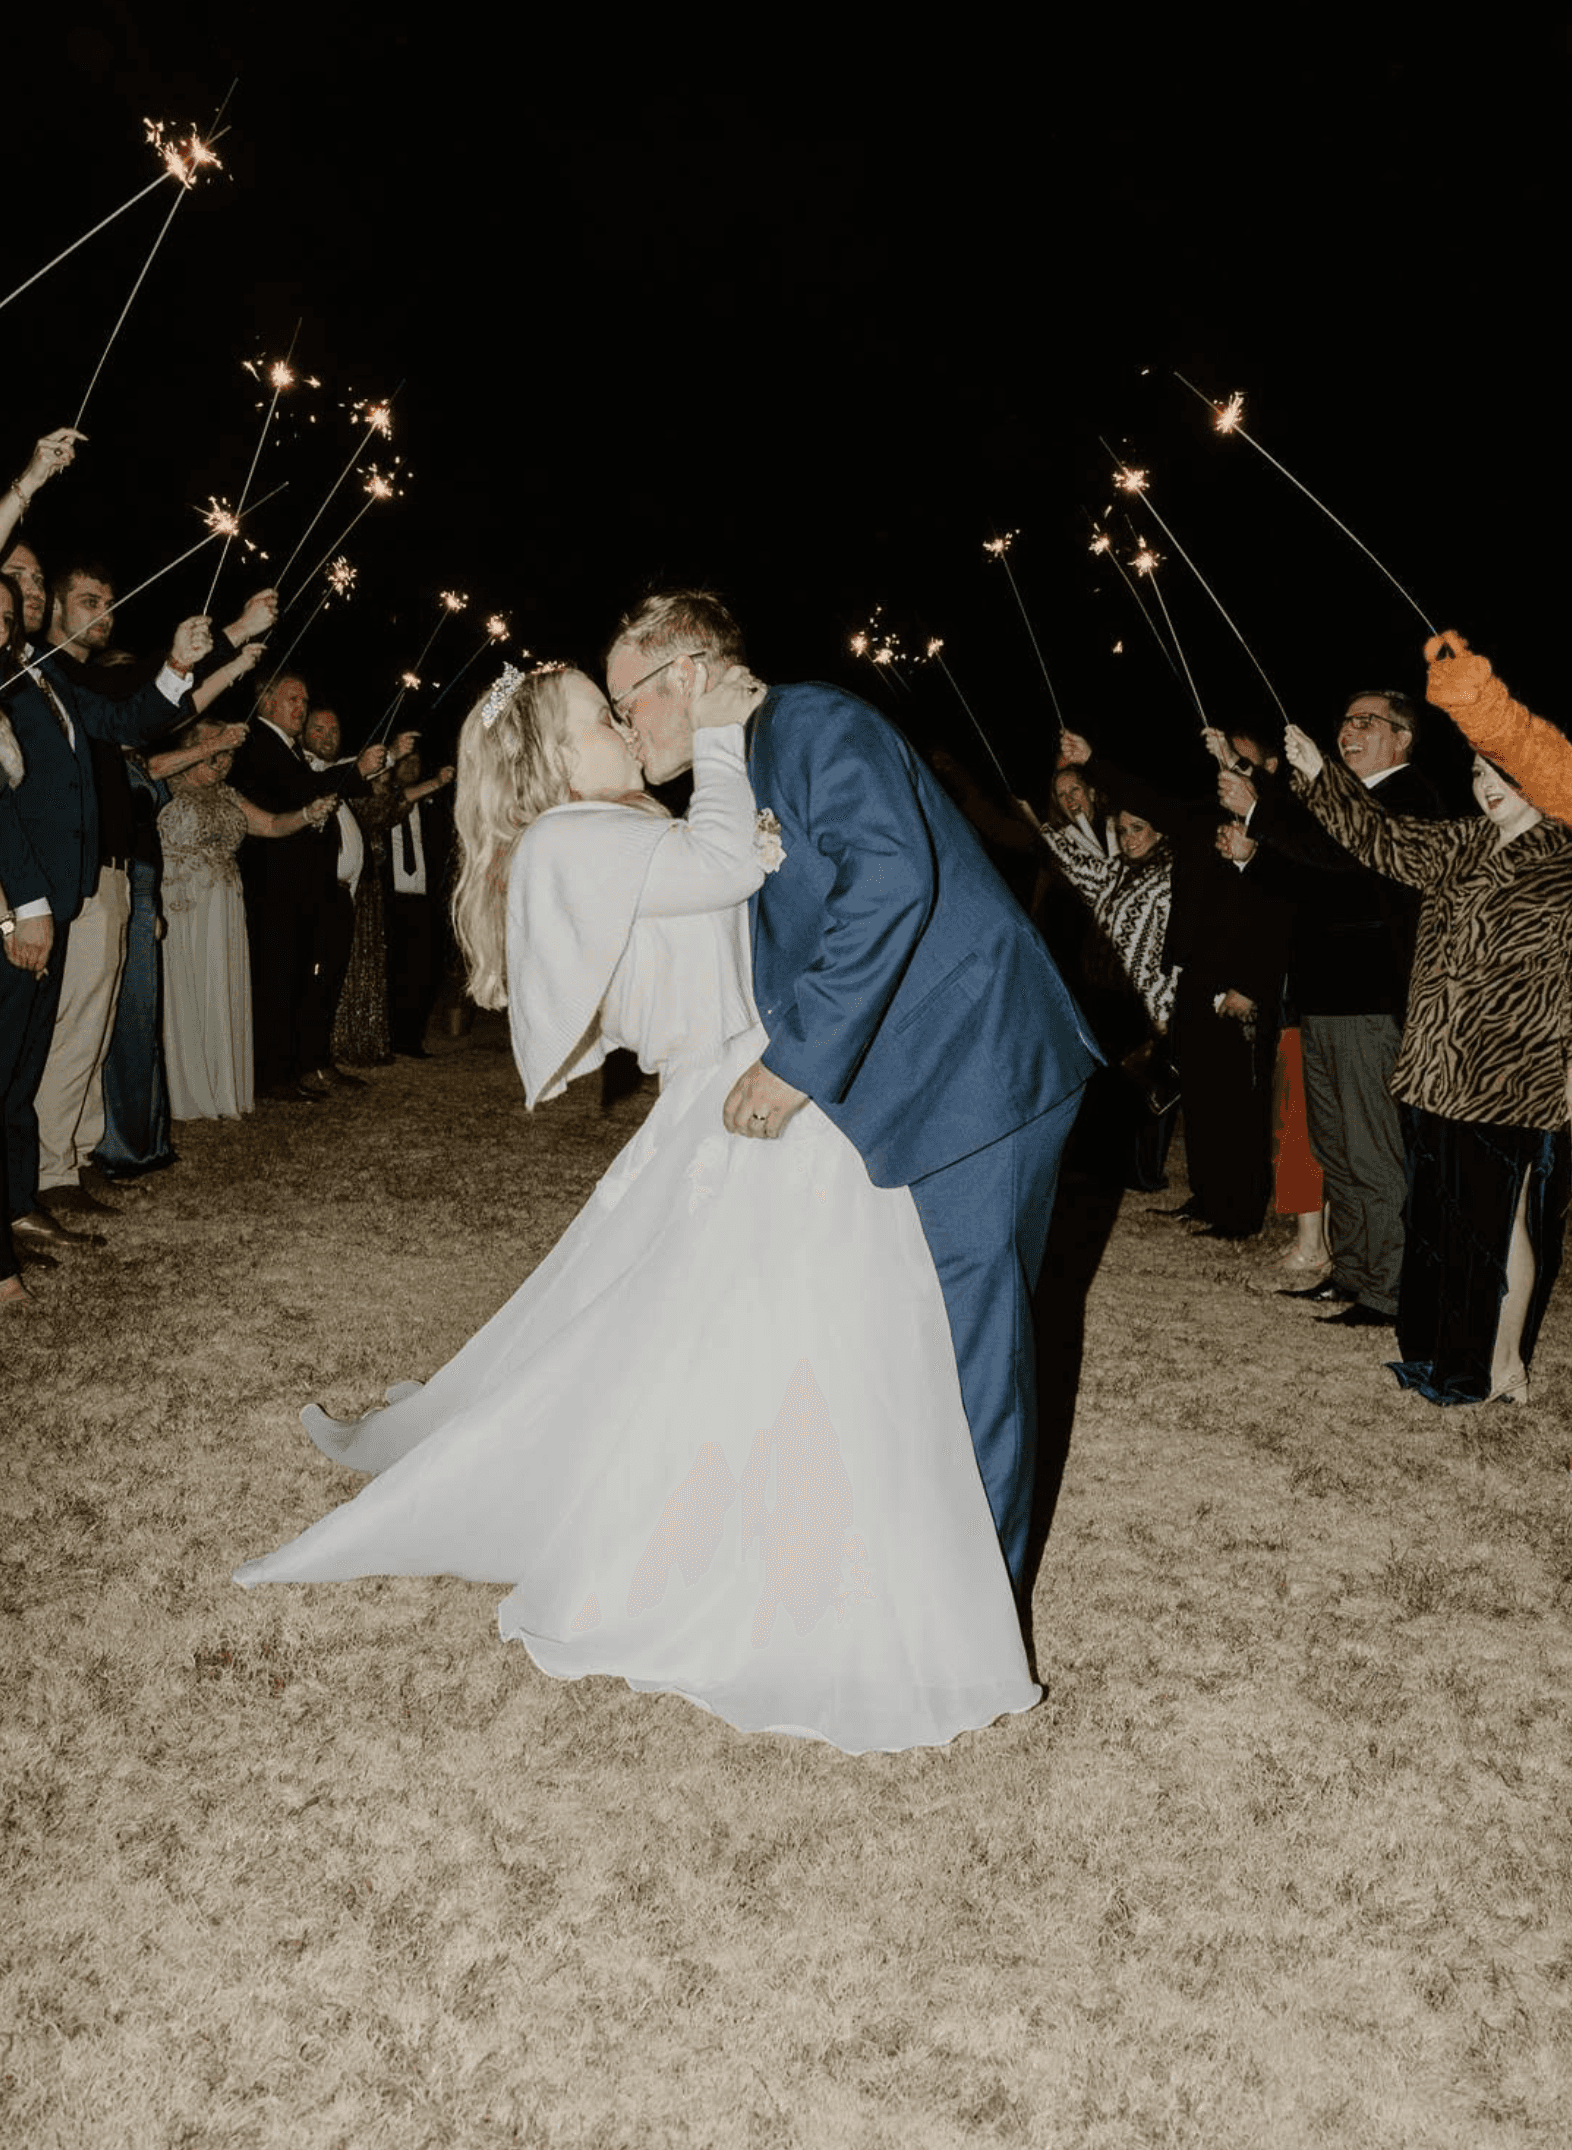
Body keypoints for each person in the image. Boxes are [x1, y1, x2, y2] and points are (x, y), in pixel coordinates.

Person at [236, 663, 1039, 1753]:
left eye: (618, 708)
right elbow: (721, 862)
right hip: (742, 1101)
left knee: (767, 1336)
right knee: (783, 1332)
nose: (619, 725)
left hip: (757, 1091)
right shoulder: (573, 838)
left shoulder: (615, 829)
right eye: (597, 716)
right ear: (559, 760)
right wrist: (715, 732)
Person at [606, 593, 1100, 1597]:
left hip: (978, 1068)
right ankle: (902, 1570)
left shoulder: (815, 722)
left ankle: (969, 1616)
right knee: (903, 1333)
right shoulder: (744, 766)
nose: (626, 728)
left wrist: (797, 1062)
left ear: (686, 675)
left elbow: (890, 877)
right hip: (912, 1079)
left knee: (971, 1352)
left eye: (628, 702)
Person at [1284, 723, 1572, 1405]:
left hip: (1512, 1073)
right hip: (1437, 1066)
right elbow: (1378, 837)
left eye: (1500, 772)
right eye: (1477, 772)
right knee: (1444, 1220)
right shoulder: (1461, 843)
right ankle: (1449, 1351)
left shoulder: (1563, 858)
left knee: (1500, 1221)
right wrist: (1319, 772)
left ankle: (1501, 1364)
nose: (1486, 785)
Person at [1219, 694, 1442, 1328]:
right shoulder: (1342, 800)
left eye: (1366, 722)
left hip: (1369, 1000)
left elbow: (1346, 858)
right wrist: (1252, 851)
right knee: (1336, 1148)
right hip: (1322, 998)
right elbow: (1303, 876)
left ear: (1400, 739)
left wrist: (1261, 809)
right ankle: (1352, 1271)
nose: (1349, 730)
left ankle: (1390, 1289)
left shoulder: (1409, 797)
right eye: (1344, 720)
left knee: (1371, 1149)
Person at [159, 718, 339, 1120]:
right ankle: (185, 1090)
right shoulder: (162, 784)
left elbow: (273, 825)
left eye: (227, 754)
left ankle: (222, 1087)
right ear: (191, 747)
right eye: (213, 751)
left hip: (224, 905)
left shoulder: (228, 795)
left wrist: (308, 813)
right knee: (188, 987)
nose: (222, 761)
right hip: (182, 903)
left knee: (222, 987)